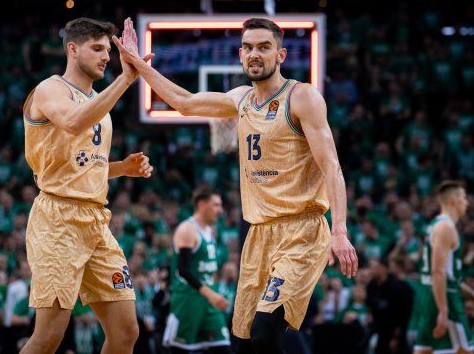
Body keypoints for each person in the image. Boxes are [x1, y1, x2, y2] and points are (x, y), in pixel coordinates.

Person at [114, 17, 358, 353]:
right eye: (248, 47)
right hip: (258, 234)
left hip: (301, 230)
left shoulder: (302, 97)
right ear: (240, 54)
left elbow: (331, 165)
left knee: (265, 330)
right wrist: (138, 64)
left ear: (281, 55)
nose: (254, 54)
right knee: (242, 342)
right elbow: (185, 103)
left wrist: (340, 230)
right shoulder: (241, 98)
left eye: (264, 47)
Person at [20, 17, 153, 353]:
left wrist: (122, 168)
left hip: (95, 221)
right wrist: (126, 79)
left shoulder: (98, 104)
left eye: (109, 49)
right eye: (97, 48)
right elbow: (73, 122)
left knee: (126, 332)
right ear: (73, 49)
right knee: (50, 335)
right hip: (57, 220)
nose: (106, 56)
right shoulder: (51, 89)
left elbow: (84, 166)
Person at [163, 187, 231, 353]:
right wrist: (211, 294)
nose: (220, 210)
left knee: (223, 347)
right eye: (216, 205)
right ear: (201, 205)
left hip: (208, 301)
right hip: (188, 300)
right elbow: (183, 271)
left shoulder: (209, 231)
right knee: (181, 350)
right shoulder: (187, 230)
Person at [414, 181, 474, 354]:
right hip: (444, 298)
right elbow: (438, 272)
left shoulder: (434, 225)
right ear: (453, 200)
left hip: (430, 297)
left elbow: (447, 274)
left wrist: (470, 294)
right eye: (463, 198)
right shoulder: (446, 227)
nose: (467, 202)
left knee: (424, 350)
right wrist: (443, 310)